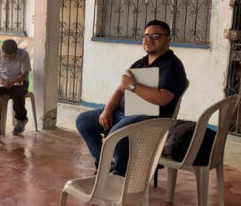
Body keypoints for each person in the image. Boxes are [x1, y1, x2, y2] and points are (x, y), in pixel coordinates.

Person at [75, 20, 187, 176]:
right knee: (83, 121)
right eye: (146, 36)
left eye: (155, 36)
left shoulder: (172, 66)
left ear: (168, 39)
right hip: (123, 113)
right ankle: (103, 163)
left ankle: (120, 173)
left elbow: (164, 98)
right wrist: (107, 111)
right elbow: (120, 90)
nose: (149, 40)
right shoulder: (140, 63)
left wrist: (133, 86)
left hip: (149, 119)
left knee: (117, 133)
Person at [0, 39, 31, 135]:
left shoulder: (23, 54)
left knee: (17, 93)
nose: (8, 59)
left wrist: (13, 82)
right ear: (2, 51)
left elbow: (25, 74)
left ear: (16, 52)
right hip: (2, 82)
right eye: (5, 56)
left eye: (11, 57)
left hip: (19, 82)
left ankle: (21, 119)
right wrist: (0, 81)